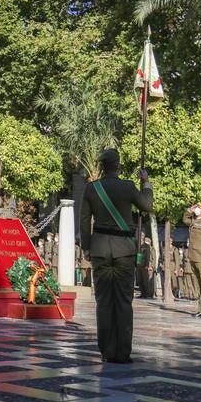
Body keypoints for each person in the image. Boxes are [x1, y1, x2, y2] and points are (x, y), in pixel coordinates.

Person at [80, 147, 153, 364]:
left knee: (103, 301)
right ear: (118, 166)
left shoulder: (91, 189)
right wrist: (146, 182)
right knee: (123, 301)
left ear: (102, 167)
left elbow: (84, 222)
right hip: (124, 251)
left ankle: (106, 351)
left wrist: (86, 247)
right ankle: (122, 353)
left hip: (100, 250)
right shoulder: (128, 187)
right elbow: (147, 205)